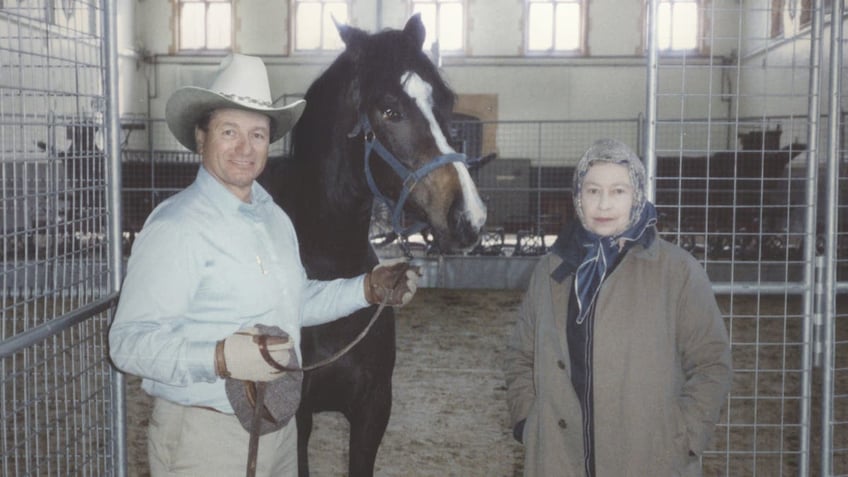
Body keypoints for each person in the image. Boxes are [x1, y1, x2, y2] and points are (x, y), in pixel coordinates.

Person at [109, 54, 419, 477]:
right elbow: (127, 344)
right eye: (229, 131)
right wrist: (219, 357)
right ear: (201, 138)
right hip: (206, 438)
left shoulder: (272, 215)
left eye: (258, 133)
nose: (245, 147)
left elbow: (297, 300)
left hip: (279, 430)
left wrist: (367, 287)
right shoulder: (175, 226)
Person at [504, 138, 732, 476]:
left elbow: (712, 364)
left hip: (649, 459)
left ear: (637, 195)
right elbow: (521, 354)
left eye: (618, 191)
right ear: (578, 197)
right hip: (558, 458)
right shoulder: (552, 269)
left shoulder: (677, 271)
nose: (604, 204)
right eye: (593, 190)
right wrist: (528, 421)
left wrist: (682, 439)